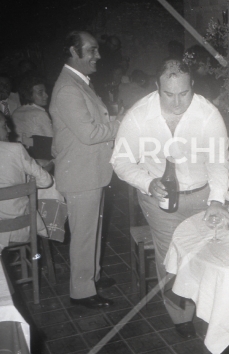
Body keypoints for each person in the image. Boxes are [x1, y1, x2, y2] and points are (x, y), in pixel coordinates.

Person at [111, 58, 229, 338]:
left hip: (201, 196)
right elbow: (120, 161)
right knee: (171, 258)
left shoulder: (207, 114)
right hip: (159, 201)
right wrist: (147, 181)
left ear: (192, 86)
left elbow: (218, 162)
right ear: (157, 88)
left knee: (206, 254)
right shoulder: (138, 115)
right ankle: (181, 317)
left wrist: (216, 199)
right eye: (169, 94)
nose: (177, 103)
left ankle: (206, 306)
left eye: (184, 93)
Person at [49, 30, 121, 309]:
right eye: (91, 50)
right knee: (84, 235)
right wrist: (120, 123)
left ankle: (91, 277)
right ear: (73, 51)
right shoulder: (68, 88)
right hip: (80, 173)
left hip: (91, 170)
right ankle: (82, 292)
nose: (98, 55)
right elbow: (90, 134)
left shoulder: (78, 83)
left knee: (93, 230)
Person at [0, 112, 52, 249]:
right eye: (4, 126)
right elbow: (46, 181)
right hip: (17, 228)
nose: (10, 130)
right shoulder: (15, 149)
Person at [12, 75, 54, 143]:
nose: (46, 95)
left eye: (45, 91)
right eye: (40, 93)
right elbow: (52, 140)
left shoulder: (15, 112)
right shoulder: (40, 113)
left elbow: (21, 140)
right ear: (29, 94)